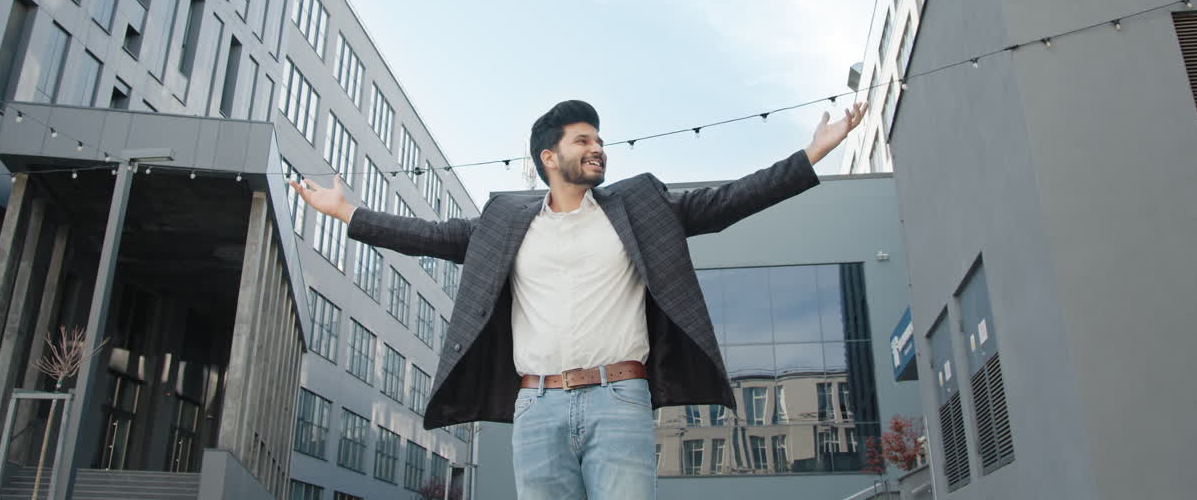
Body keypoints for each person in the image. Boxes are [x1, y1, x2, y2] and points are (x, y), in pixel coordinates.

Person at [291, 99, 865, 500]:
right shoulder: (506, 220)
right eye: (583, 140)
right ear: (549, 157)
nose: (598, 149)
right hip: (536, 405)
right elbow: (432, 236)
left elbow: (727, 201)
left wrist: (809, 155)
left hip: (619, 398)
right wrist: (348, 213)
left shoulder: (638, 207)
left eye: (599, 141)